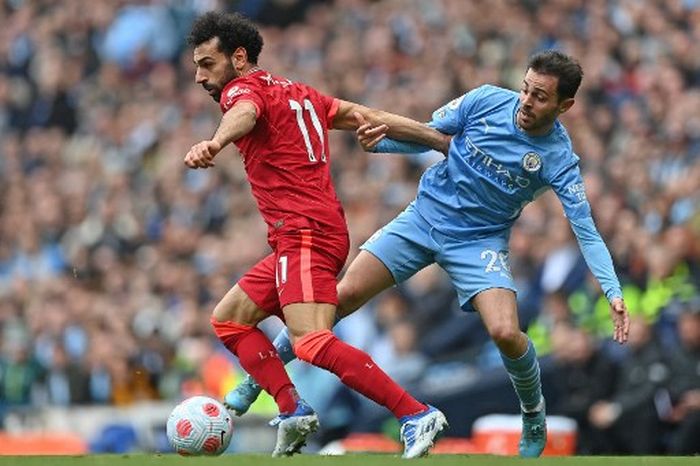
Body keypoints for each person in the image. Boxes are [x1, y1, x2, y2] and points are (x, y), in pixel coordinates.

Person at [226, 50, 631, 458]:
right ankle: (257, 379)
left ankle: (532, 412)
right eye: (526, 89)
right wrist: (380, 146)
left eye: (540, 97)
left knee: (506, 333)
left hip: (480, 241)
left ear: (565, 106)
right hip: (421, 220)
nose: (526, 101)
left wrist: (612, 290)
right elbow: (431, 135)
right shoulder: (487, 99)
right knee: (337, 300)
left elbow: (586, 229)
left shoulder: (559, 158)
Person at [184, 12, 448, 458]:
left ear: (239, 58)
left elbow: (244, 113)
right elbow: (366, 114)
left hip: (304, 234)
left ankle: (414, 413)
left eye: (208, 64)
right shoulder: (300, 94)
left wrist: (216, 143)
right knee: (228, 319)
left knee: (310, 342)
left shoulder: (242, 91)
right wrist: (437, 140)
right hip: (310, 234)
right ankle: (291, 410)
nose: (199, 76)